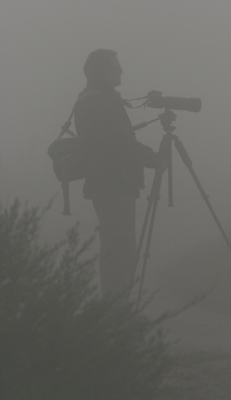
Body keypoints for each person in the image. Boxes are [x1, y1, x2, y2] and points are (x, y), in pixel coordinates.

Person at [74, 49, 165, 307]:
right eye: (116, 67)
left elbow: (118, 142)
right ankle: (114, 316)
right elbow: (121, 144)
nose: (121, 71)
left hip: (111, 183)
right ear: (103, 71)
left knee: (120, 249)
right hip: (112, 185)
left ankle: (116, 312)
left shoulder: (97, 98)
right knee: (119, 251)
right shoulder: (98, 101)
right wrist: (154, 160)